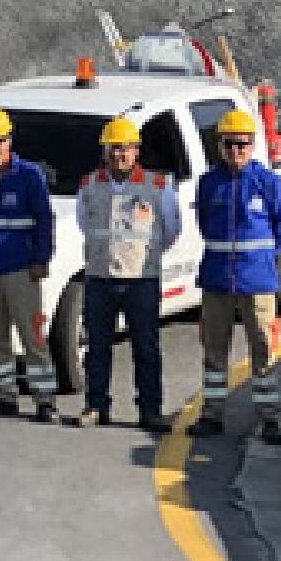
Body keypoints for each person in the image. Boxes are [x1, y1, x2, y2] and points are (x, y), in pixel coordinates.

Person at [188, 108, 281, 445]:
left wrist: (258, 261)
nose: (235, 152)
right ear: (219, 145)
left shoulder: (269, 183)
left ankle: (270, 419)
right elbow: (204, 225)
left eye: (241, 145)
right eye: (229, 145)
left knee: (263, 351)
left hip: (257, 282)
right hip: (218, 280)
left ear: (252, 145)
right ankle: (212, 415)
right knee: (214, 351)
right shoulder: (209, 184)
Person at [74, 117, 182, 433]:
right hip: (100, 277)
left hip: (141, 279)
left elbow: (172, 229)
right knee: (98, 346)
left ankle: (150, 410)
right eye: (114, 149)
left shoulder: (157, 186)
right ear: (105, 151)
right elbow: (85, 225)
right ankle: (96, 405)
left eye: (126, 149)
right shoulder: (89, 186)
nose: (120, 155)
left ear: (137, 151)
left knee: (146, 347)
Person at [0, 106, 60, 423]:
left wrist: (40, 259)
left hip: (21, 269)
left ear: (10, 140)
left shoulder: (29, 176)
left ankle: (45, 400)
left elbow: (44, 220)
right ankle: (4, 395)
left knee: (32, 336)